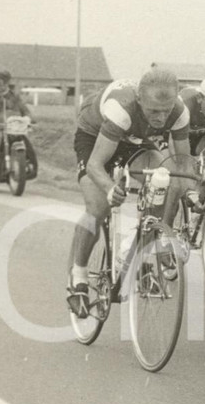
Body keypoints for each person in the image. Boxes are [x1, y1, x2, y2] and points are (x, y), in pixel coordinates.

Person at [66, 68, 193, 316]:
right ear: (139, 99)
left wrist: (191, 190)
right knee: (98, 207)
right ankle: (78, 275)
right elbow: (95, 165)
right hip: (95, 138)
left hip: (134, 139)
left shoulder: (179, 113)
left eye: (165, 111)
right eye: (153, 111)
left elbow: (182, 162)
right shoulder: (122, 108)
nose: (160, 118)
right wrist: (110, 188)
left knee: (162, 178)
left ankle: (141, 251)